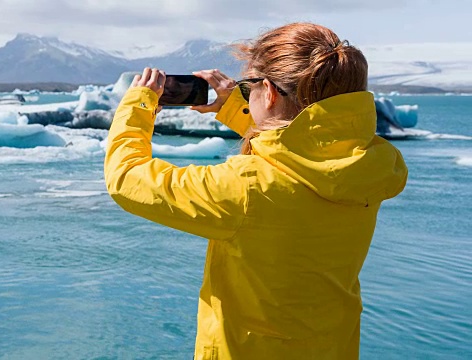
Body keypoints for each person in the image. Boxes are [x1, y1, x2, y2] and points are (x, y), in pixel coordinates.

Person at [104, 22, 408, 360]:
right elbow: (304, 148)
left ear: (270, 91)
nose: (246, 94)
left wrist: (138, 106)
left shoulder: (246, 188)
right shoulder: (366, 167)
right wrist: (235, 107)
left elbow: (127, 178)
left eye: (249, 88)